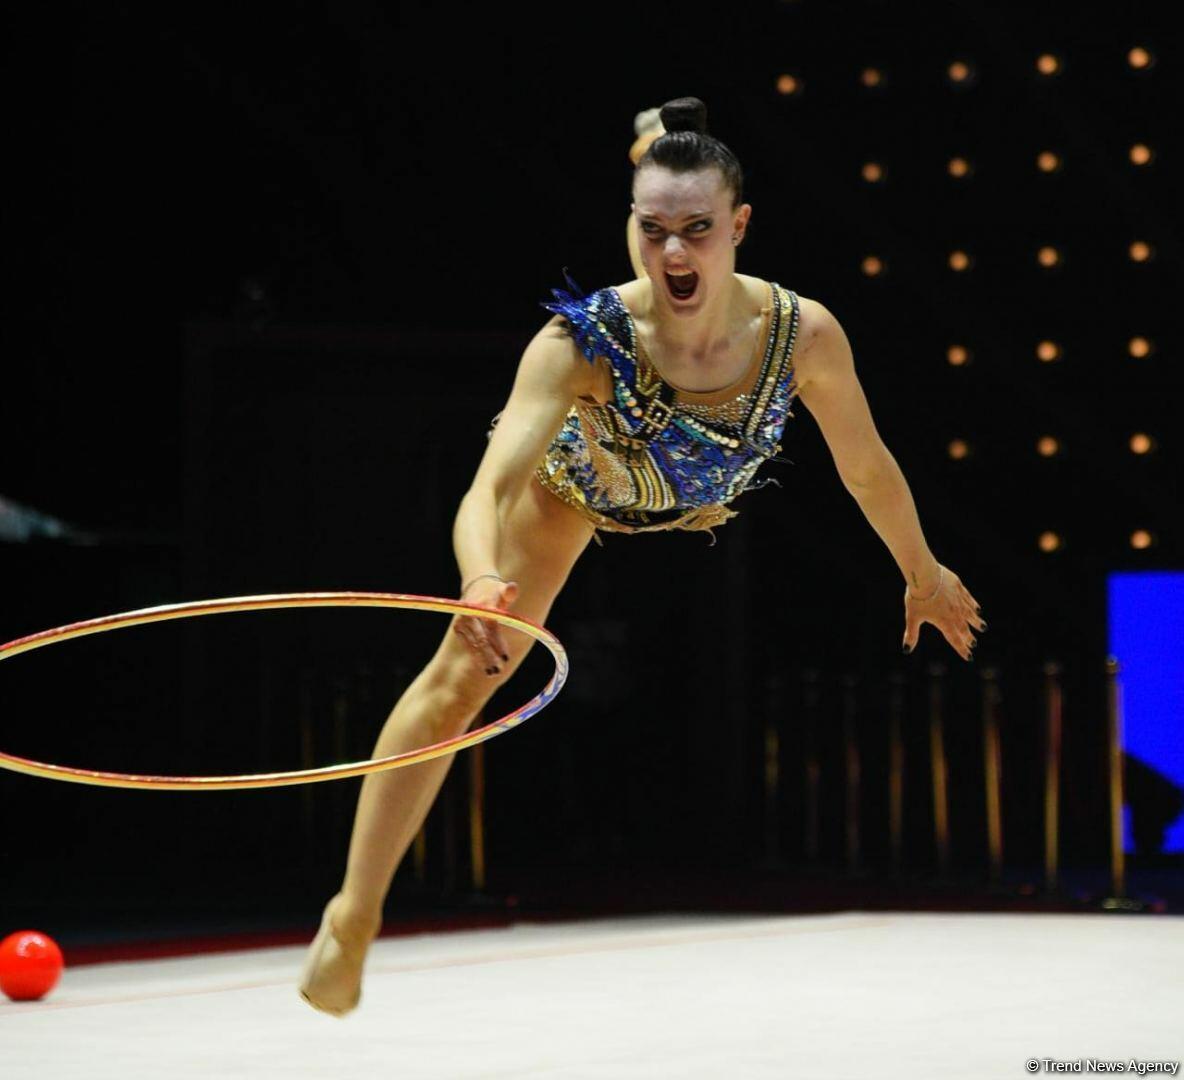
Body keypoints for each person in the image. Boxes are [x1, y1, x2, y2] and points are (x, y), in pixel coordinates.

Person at [298, 95, 987, 1016]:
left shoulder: (802, 336)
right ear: (630, 225)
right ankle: (353, 916)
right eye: (651, 229)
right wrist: (480, 579)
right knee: (463, 676)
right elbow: (488, 490)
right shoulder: (580, 341)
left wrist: (923, 572)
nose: (672, 253)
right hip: (574, 491)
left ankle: (656, 136)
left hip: (692, 503)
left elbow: (866, 468)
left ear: (740, 226)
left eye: (697, 230)